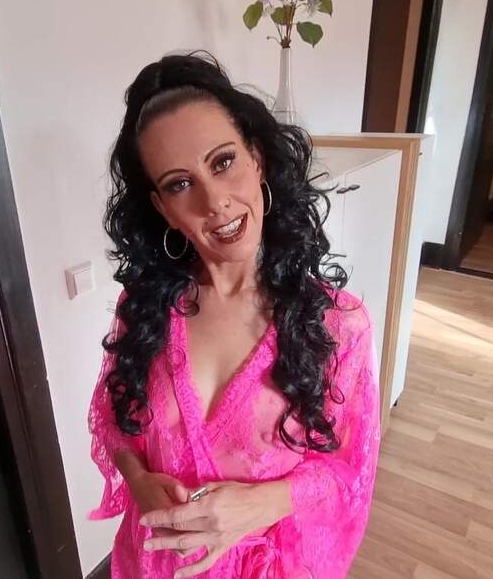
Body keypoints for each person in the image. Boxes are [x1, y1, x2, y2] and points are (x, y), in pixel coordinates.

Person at [88, 50, 380, 578]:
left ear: (257, 159)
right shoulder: (146, 308)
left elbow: (346, 472)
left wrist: (260, 506)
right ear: (162, 208)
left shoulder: (338, 326)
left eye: (223, 162)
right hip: (152, 563)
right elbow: (114, 423)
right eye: (180, 184)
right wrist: (138, 480)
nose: (214, 201)